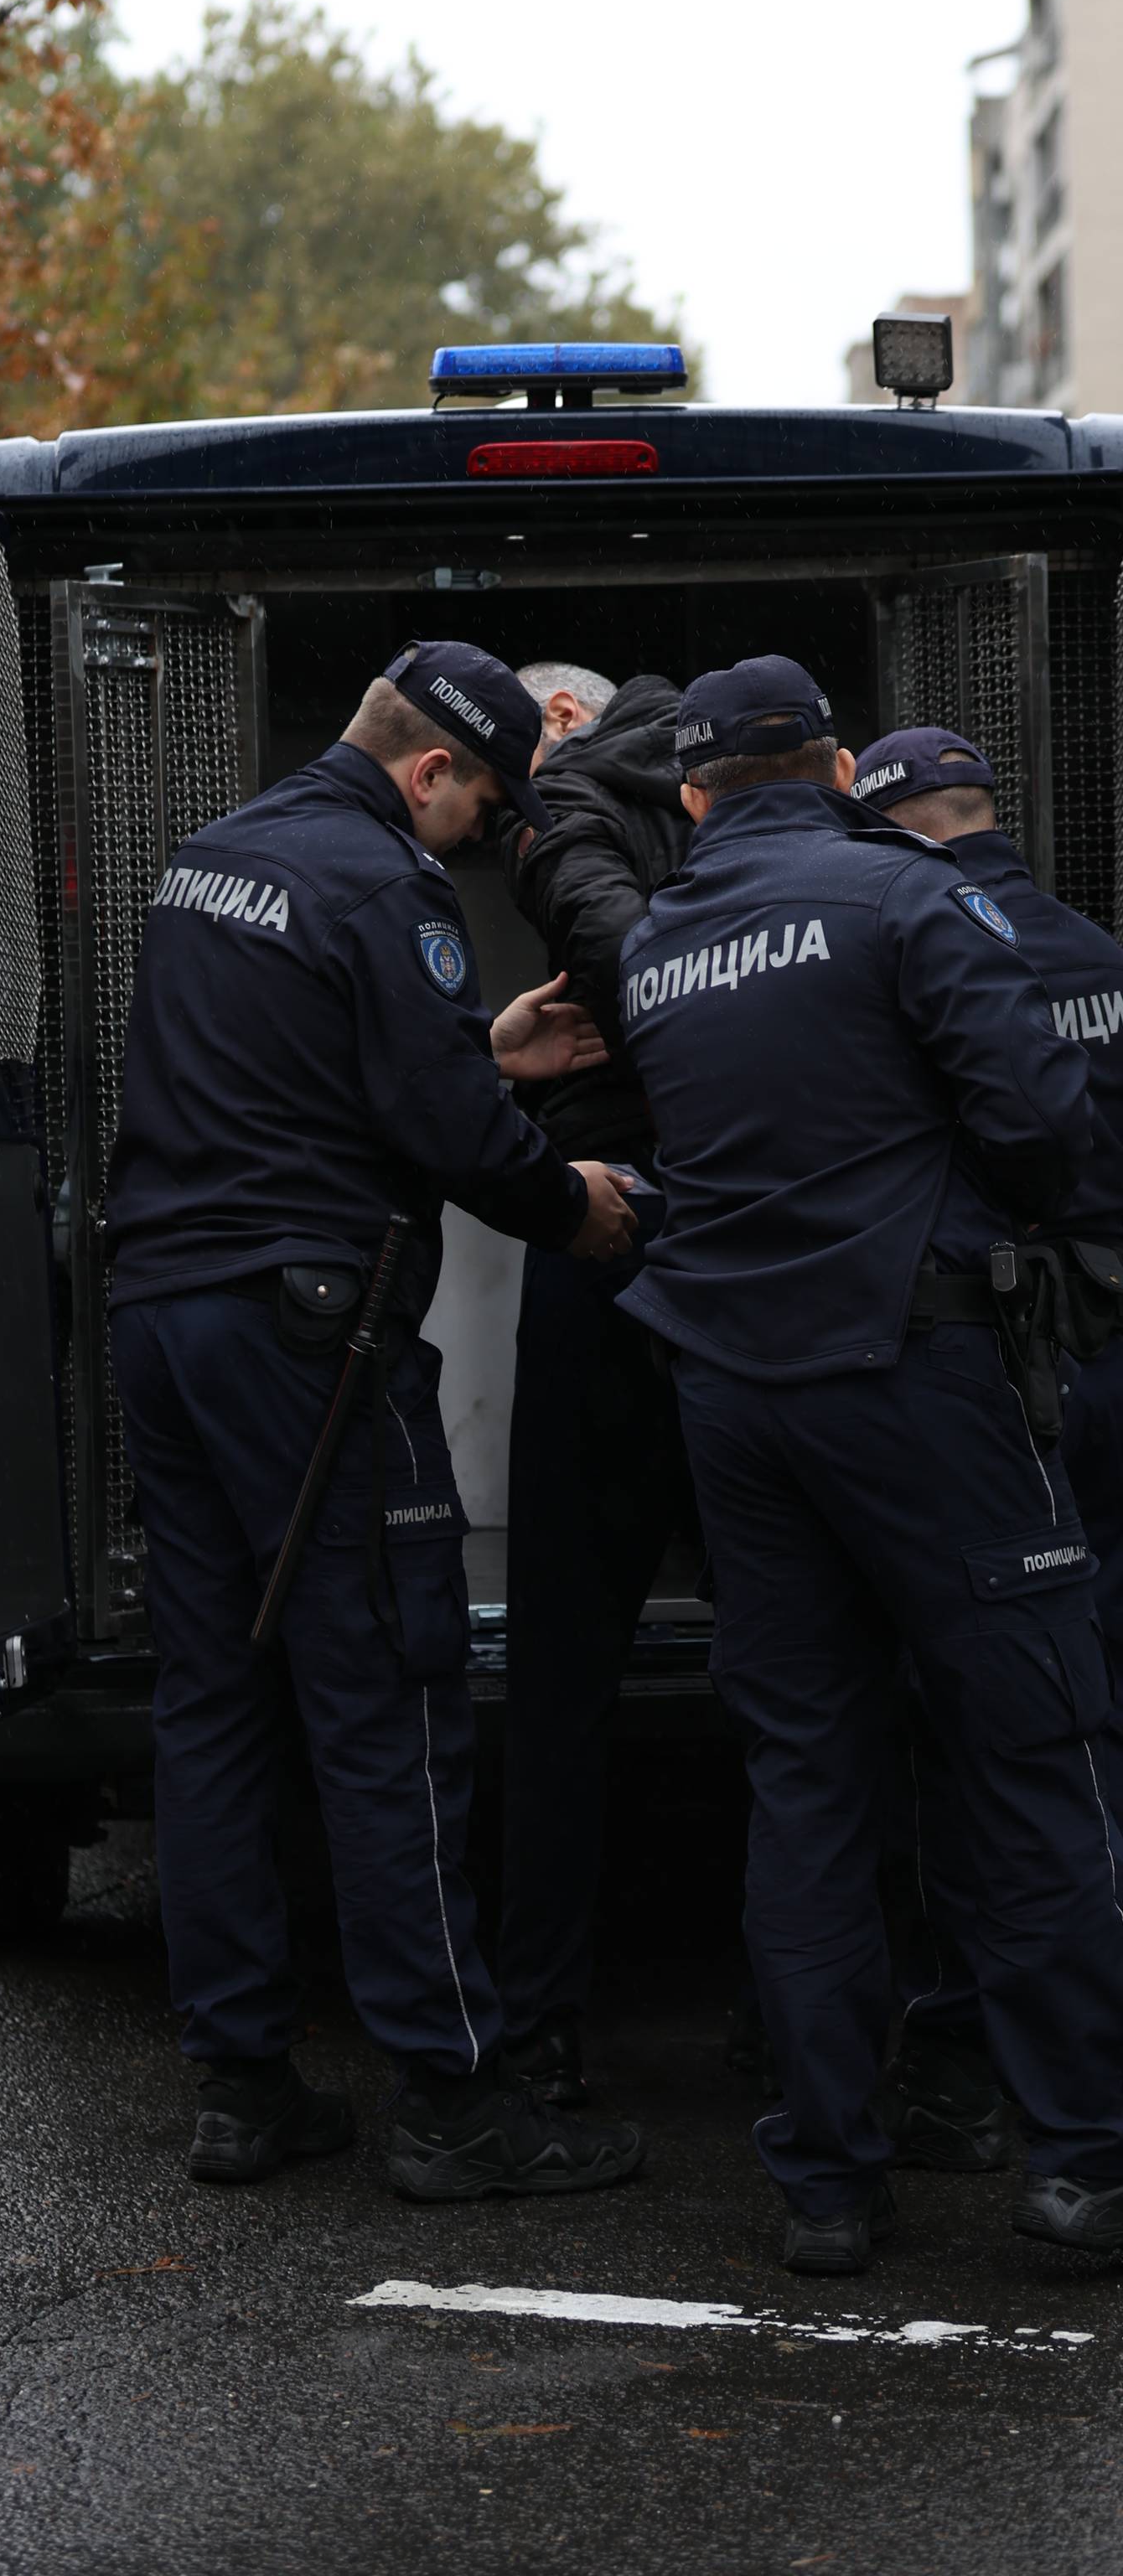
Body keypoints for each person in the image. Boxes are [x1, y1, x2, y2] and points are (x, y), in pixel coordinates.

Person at [105, 639, 646, 2198]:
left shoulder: (209, 860)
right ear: (428, 770)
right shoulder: (384, 888)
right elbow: (442, 1137)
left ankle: (241, 2083)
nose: (480, 832)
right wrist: (582, 1210)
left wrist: (488, 1049)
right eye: (481, 799)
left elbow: (301, 1077)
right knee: (390, 1698)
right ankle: (456, 2103)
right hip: (309, 1341)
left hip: (168, 1316)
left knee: (210, 1701)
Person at [615, 654, 1123, 2274]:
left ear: (693, 798)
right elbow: (1042, 1128)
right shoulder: (906, 901)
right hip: (920, 1377)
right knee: (1032, 1751)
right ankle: (1085, 2163)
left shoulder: (658, 943)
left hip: (735, 1403)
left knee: (808, 1786)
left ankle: (827, 2185)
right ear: (836, 772)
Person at [849, 725, 1123, 2173]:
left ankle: (963, 2046)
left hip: (1001, 1372)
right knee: (1092, 1718)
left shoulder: (921, 949)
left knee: (983, 1722)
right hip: (1115, 1351)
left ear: (897, 827)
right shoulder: (1097, 949)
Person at [494, 661, 696, 2096]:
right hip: (778, 1234)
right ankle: (841, 2024)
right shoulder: (756, 780)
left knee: (564, 1650)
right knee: (812, 1643)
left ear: (565, 720)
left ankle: (539, 2022)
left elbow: (634, 972)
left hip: (619, 1214)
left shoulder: (567, 795)